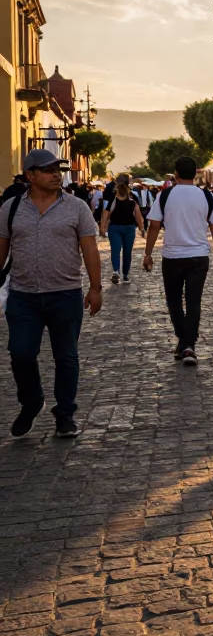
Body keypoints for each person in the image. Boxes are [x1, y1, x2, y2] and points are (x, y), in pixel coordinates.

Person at [1, 149, 102, 439]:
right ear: (30, 175)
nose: (56, 174)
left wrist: (95, 289)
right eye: (48, 170)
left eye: (58, 169)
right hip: (23, 296)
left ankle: (65, 415)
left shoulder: (77, 207)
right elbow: (1, 250)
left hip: (65, 294)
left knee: (66, 357)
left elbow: (90, 249)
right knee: (20, 353)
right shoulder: (10, 208)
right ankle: (31, 402)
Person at [142, 156, 213, 367]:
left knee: (174, 301)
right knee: (194, 301)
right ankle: (188, 344)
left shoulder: (165, 195)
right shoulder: (207, 196)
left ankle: (184, 340)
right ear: (196, 174)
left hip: (172, 256)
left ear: (175, 174)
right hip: (199, 256)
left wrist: (148, 253)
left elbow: (153, 226)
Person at [99, 173, 146, 284]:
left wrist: (102, 228)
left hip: (115, 227)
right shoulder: (133, 197)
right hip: (129, 228)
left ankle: (116, 271)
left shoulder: (113, 197)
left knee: (115, 250)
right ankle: (125, 275)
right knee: (127, 251)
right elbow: (138, 215)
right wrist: (142, 228)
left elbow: (106, 214)